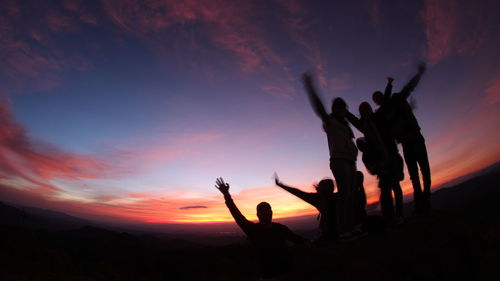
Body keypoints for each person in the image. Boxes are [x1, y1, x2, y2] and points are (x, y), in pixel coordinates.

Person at [215, 177, 307, 280]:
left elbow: (298, 239)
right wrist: (226, 195)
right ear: (258, 214)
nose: (266, 213)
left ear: (271, 213)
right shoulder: (253, 230)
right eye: (263, 212)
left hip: (287, 273)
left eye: (268, 211)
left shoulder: (280, 228)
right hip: (268, 276)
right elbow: (237, 215)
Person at [302, 73, 358, 240]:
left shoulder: (345, 126)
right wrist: (311, 88)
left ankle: (350, 227)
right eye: (338, 108)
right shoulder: (331, 122)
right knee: (344, 195)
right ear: (335, 109)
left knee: (349, 195)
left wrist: (354, 154)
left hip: (350, 161)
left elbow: (350, 143)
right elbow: (319, 108)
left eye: (342, 108)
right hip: (339, 161)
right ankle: (343, 231)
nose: (341, 110)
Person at [374, 63, 430, 214]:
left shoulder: (397, 99)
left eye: (379, 98)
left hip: (414, 138)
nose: (379, 101)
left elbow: (409, 86)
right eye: (377, 100)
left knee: (424, 170)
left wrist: (418, 74)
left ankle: (426, 203)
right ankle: (420, 205)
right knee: (415, 174)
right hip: (406, 142)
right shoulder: (382, 114)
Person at [274, 174, 337, 242]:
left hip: (327, 236)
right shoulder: (339, 196)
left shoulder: (318, 199)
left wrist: (279, 184)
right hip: (339, 232)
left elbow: (297, 192)